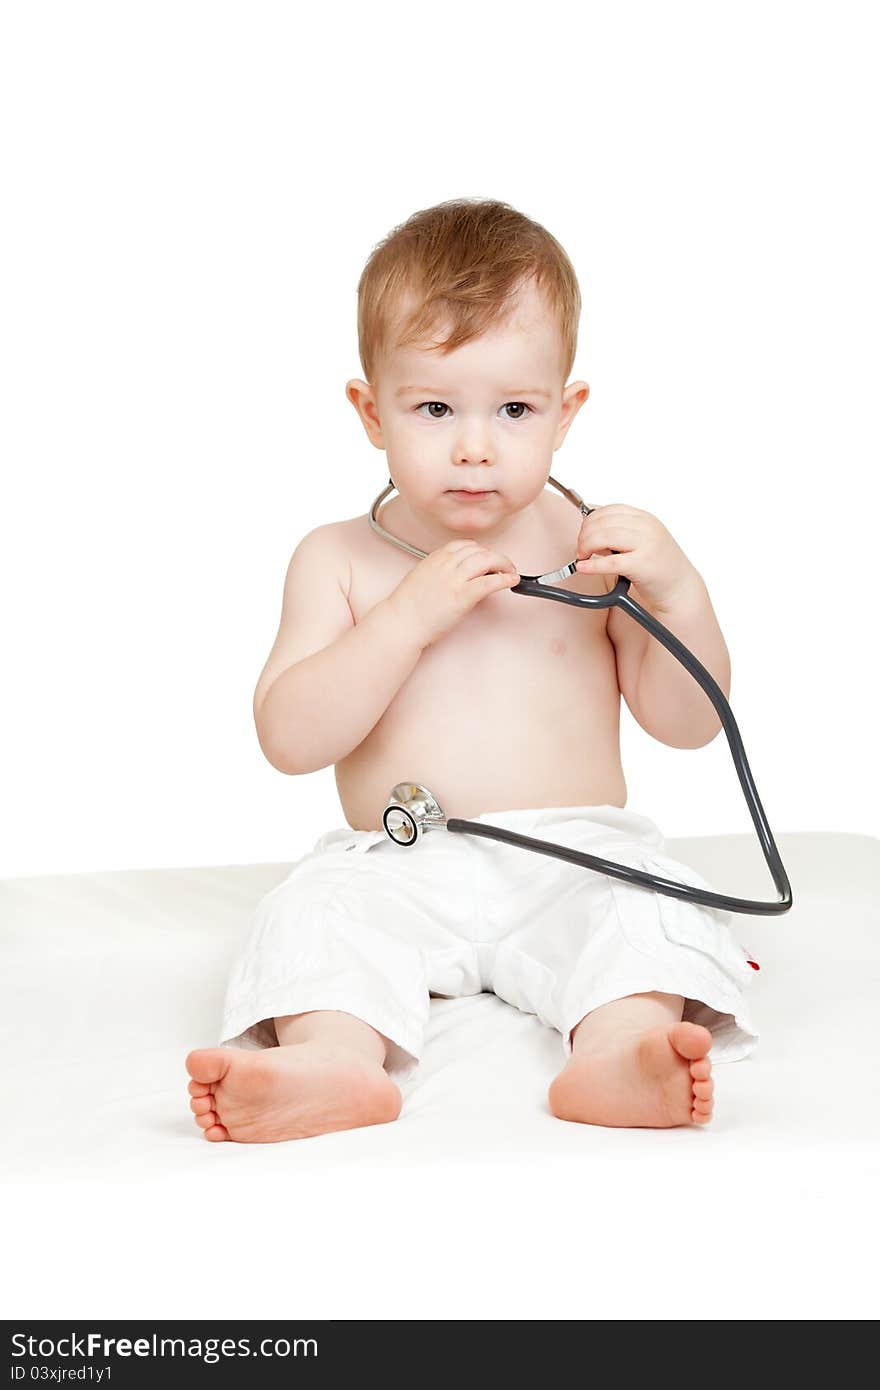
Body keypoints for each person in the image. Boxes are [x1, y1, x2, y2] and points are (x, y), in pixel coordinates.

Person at [185, 197, 759, 1142]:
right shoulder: (339, 558)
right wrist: (404, 622)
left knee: (644, 906)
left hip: (579, 851)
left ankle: (622, 1053)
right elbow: (290, 739)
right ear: (372, 412)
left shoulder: (591, 551)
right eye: (435, 407)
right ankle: (331, 1063)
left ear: (565, 413)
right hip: (401, 858)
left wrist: (678, 595)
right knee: (317, 913)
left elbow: (687, 723)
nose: (474, 446)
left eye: (515, 409)